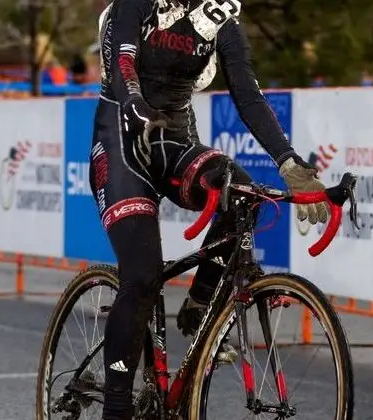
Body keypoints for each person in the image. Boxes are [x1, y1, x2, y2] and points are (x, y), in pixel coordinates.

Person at [89, 1, 329, 418]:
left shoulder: (220, 20)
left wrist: (289, 162)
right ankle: (116, 406)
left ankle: (201, 303)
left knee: (242, 192)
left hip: (174, 140)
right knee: (142, 275)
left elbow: (248, 96)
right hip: (122, 141)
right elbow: (123, 61)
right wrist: (135, 105)